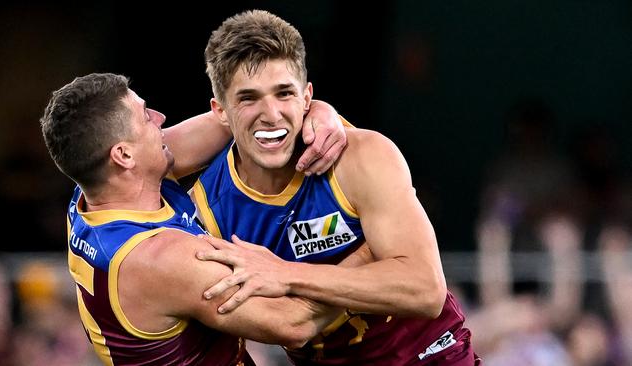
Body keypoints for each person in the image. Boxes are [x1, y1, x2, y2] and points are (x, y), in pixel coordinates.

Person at [191, 10, 479, 365]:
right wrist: (369, 258)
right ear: (219, 111)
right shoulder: (206, 214)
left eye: (284, 93)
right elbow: (285, 325)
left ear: (307, 97)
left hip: (431, 358)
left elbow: (425, 289)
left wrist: (286, 274)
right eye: (248, 98)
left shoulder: (361, 155)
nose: (271, 114)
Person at [39, 72, 363, 365]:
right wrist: (367, 249)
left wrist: (320, 111)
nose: (160, 118)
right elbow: (294, 323)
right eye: (145, 117)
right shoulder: (161, 259)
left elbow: (236, 117)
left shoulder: (101, 188)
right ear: (123, 155)